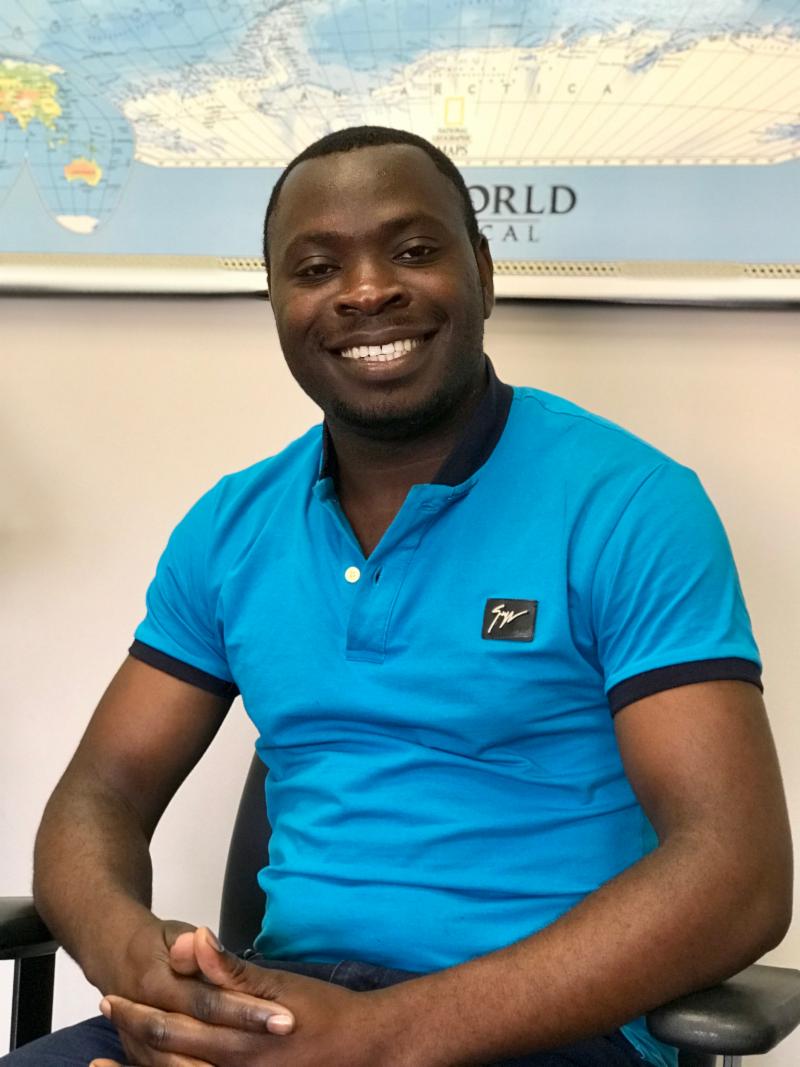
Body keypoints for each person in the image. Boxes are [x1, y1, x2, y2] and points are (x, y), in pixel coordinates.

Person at [4, 126, 792, 1067]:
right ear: (277, 302)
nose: (367, 290)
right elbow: (99, 791)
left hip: (541, 1028)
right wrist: (148, 975)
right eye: (316, 268)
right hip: (286, 1013)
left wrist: (380, 1039)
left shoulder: (628, 505)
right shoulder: (230, 526)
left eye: (414, 251)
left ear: (483, 274)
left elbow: (738, 873)